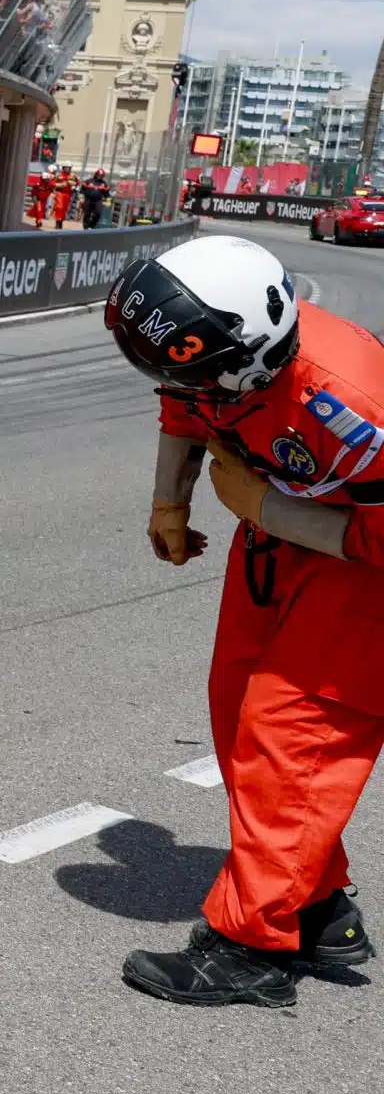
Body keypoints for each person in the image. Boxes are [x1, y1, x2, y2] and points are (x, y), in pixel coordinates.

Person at [107, 235, 384, 1008]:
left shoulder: (353, 405)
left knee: (290, 731)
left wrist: (265, 507)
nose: (172, 382)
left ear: (250, 364)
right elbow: (183, 397)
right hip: (283, 531)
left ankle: (252, 947)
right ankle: (316, 906)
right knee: (235, 709)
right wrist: (170, 500)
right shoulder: (211, 351)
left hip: (364, 563)